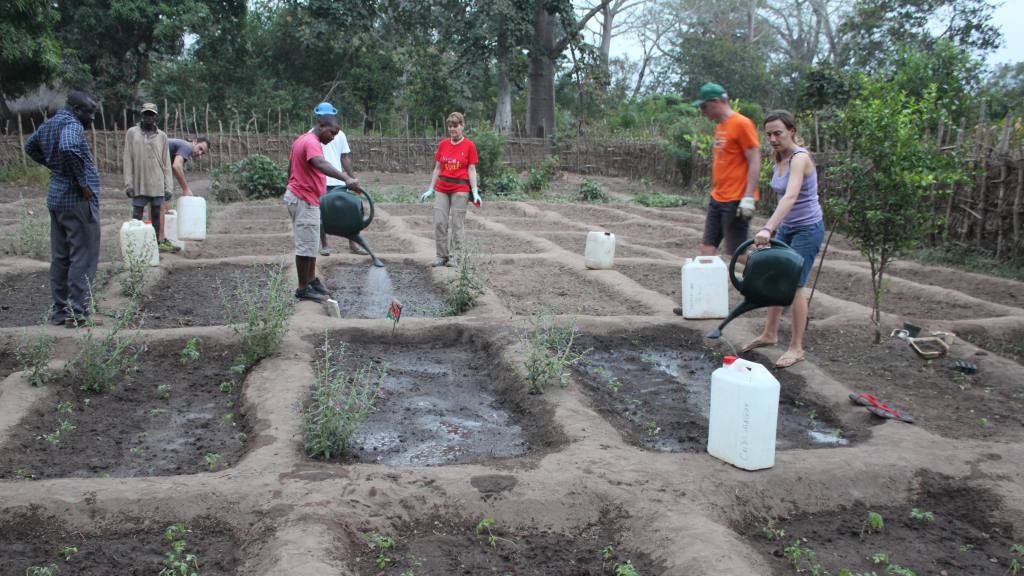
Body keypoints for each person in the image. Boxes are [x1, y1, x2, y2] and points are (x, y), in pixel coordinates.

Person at [741, 110, 825, 369]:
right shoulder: (779, 157)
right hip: (787, 228)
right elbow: (781, 200)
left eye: (778, 133)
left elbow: (790, 196)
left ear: (792, 130)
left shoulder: (800, 158)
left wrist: (767, 228)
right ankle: (769, 334)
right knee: (777, 280)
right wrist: (777, 228)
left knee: (795, 285)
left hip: (807, 229)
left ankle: (797, 347)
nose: (773, 139)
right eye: (768, 135)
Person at [673, 82, 761, 316]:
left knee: (737, 253)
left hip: (736, 200)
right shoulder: (721, 127)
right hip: (717, 198)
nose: (704, 113)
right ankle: (699, 300)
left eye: (704, 108)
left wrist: (748, 197)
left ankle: (770, 276)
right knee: (706, 249)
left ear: (715, 102)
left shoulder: (742, 124)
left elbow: (754, 159)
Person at [25, 90, 102, 327]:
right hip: (77, 200)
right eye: (90, 113)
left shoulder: (50, 124)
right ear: (77, 110)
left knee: (61, 257)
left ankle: (59, 311)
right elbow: (68, 147)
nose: (92, 118)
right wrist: (81, 182)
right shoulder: (72, 125)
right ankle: (77, 313)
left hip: (57, 198)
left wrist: (54, 166)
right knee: (83, 256)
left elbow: (30, 146)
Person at [284, 110, 362, 303]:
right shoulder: (311, 143)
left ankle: (311, 280)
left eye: (336, 135)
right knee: (305, 246)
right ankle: (303, 289)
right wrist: (346, 178)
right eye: (331, 133)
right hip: (303, 198)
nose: (333, 138)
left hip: (303, 197)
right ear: (321, 126)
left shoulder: (303, 140)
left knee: (311, 244)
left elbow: (291, 167)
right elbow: (320, 163)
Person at [420, 112, 481, 267]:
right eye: (450, 126)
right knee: (439, 222)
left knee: (456, 223)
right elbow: (437, 168)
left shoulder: (469, 146)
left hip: (460, 188)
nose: (452, 129)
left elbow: (472, 169)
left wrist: (474, 191)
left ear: (462, 126)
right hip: (442, 187)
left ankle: (456, 257)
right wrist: (431, 189)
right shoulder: (443, 145)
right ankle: (441, 256)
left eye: (455, 126)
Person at [311, 102, 367, 257]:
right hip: (321, 181)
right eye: (323, 115)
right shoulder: (311, 135)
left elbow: (344, 158)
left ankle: (352, 244)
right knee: (321, 214)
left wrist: (351, 178)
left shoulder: (339, 134)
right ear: (318, 119)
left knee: (349, 212)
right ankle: (325, 245)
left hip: (339, 181)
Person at [123, 102, 175, 252]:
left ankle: (155, 246)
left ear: (155, 116)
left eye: (151, 114)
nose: (149, 117)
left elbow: (166, 162)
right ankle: (136, 246)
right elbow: (127, 159)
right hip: (139, 182)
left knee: (156, 214)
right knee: (137, 214)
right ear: (142, 115)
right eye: (146, 114)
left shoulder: (162, 136)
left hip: (157, 181)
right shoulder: (132, 133)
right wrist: (128, 183)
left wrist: (168, 186)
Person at [162, 135, 211, 242]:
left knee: (162, 201)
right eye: (200, 148)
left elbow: (173, 169)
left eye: (202, 153)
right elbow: (176, 166)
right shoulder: (187, 146)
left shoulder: (180, 146)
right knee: (162, 202)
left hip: (150, 163)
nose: (199, 153)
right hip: (152, 163)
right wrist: (186, 189)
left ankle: (160, 237)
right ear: (194, 142)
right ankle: (161, 239)